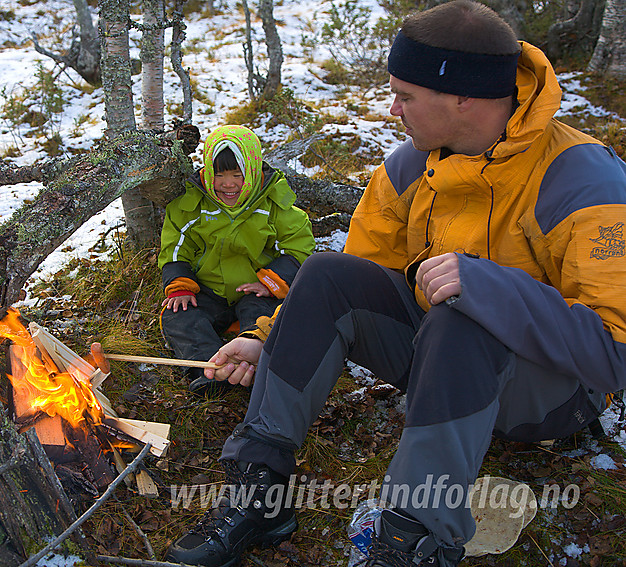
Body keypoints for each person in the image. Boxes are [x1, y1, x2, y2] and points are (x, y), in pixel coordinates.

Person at [163, 2, 626, 566]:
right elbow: (350, 283)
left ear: (465, 98)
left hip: (549, 399)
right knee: (327, 272)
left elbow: (613, 353)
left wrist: (489, 289)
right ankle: (259, 492)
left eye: (404, 95)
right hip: (440, 367)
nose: (391, 109)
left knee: (464, 314)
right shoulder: (410, 167)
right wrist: (268, 340)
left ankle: (414, 539)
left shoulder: (580, 178)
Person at [158, 124, 315, 396]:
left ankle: (251, 366)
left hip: (257, 289)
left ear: (252, 171)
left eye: (237, 174)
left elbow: (298, 248)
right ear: (207, 171)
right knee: (179, 317)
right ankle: (208, 369)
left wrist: (270, 282)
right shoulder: (192, 205)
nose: (228, 183)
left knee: (264, 319)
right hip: (209, 291)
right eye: (219, 174)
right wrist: (180, 284)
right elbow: (175, 248)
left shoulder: (273, 205)